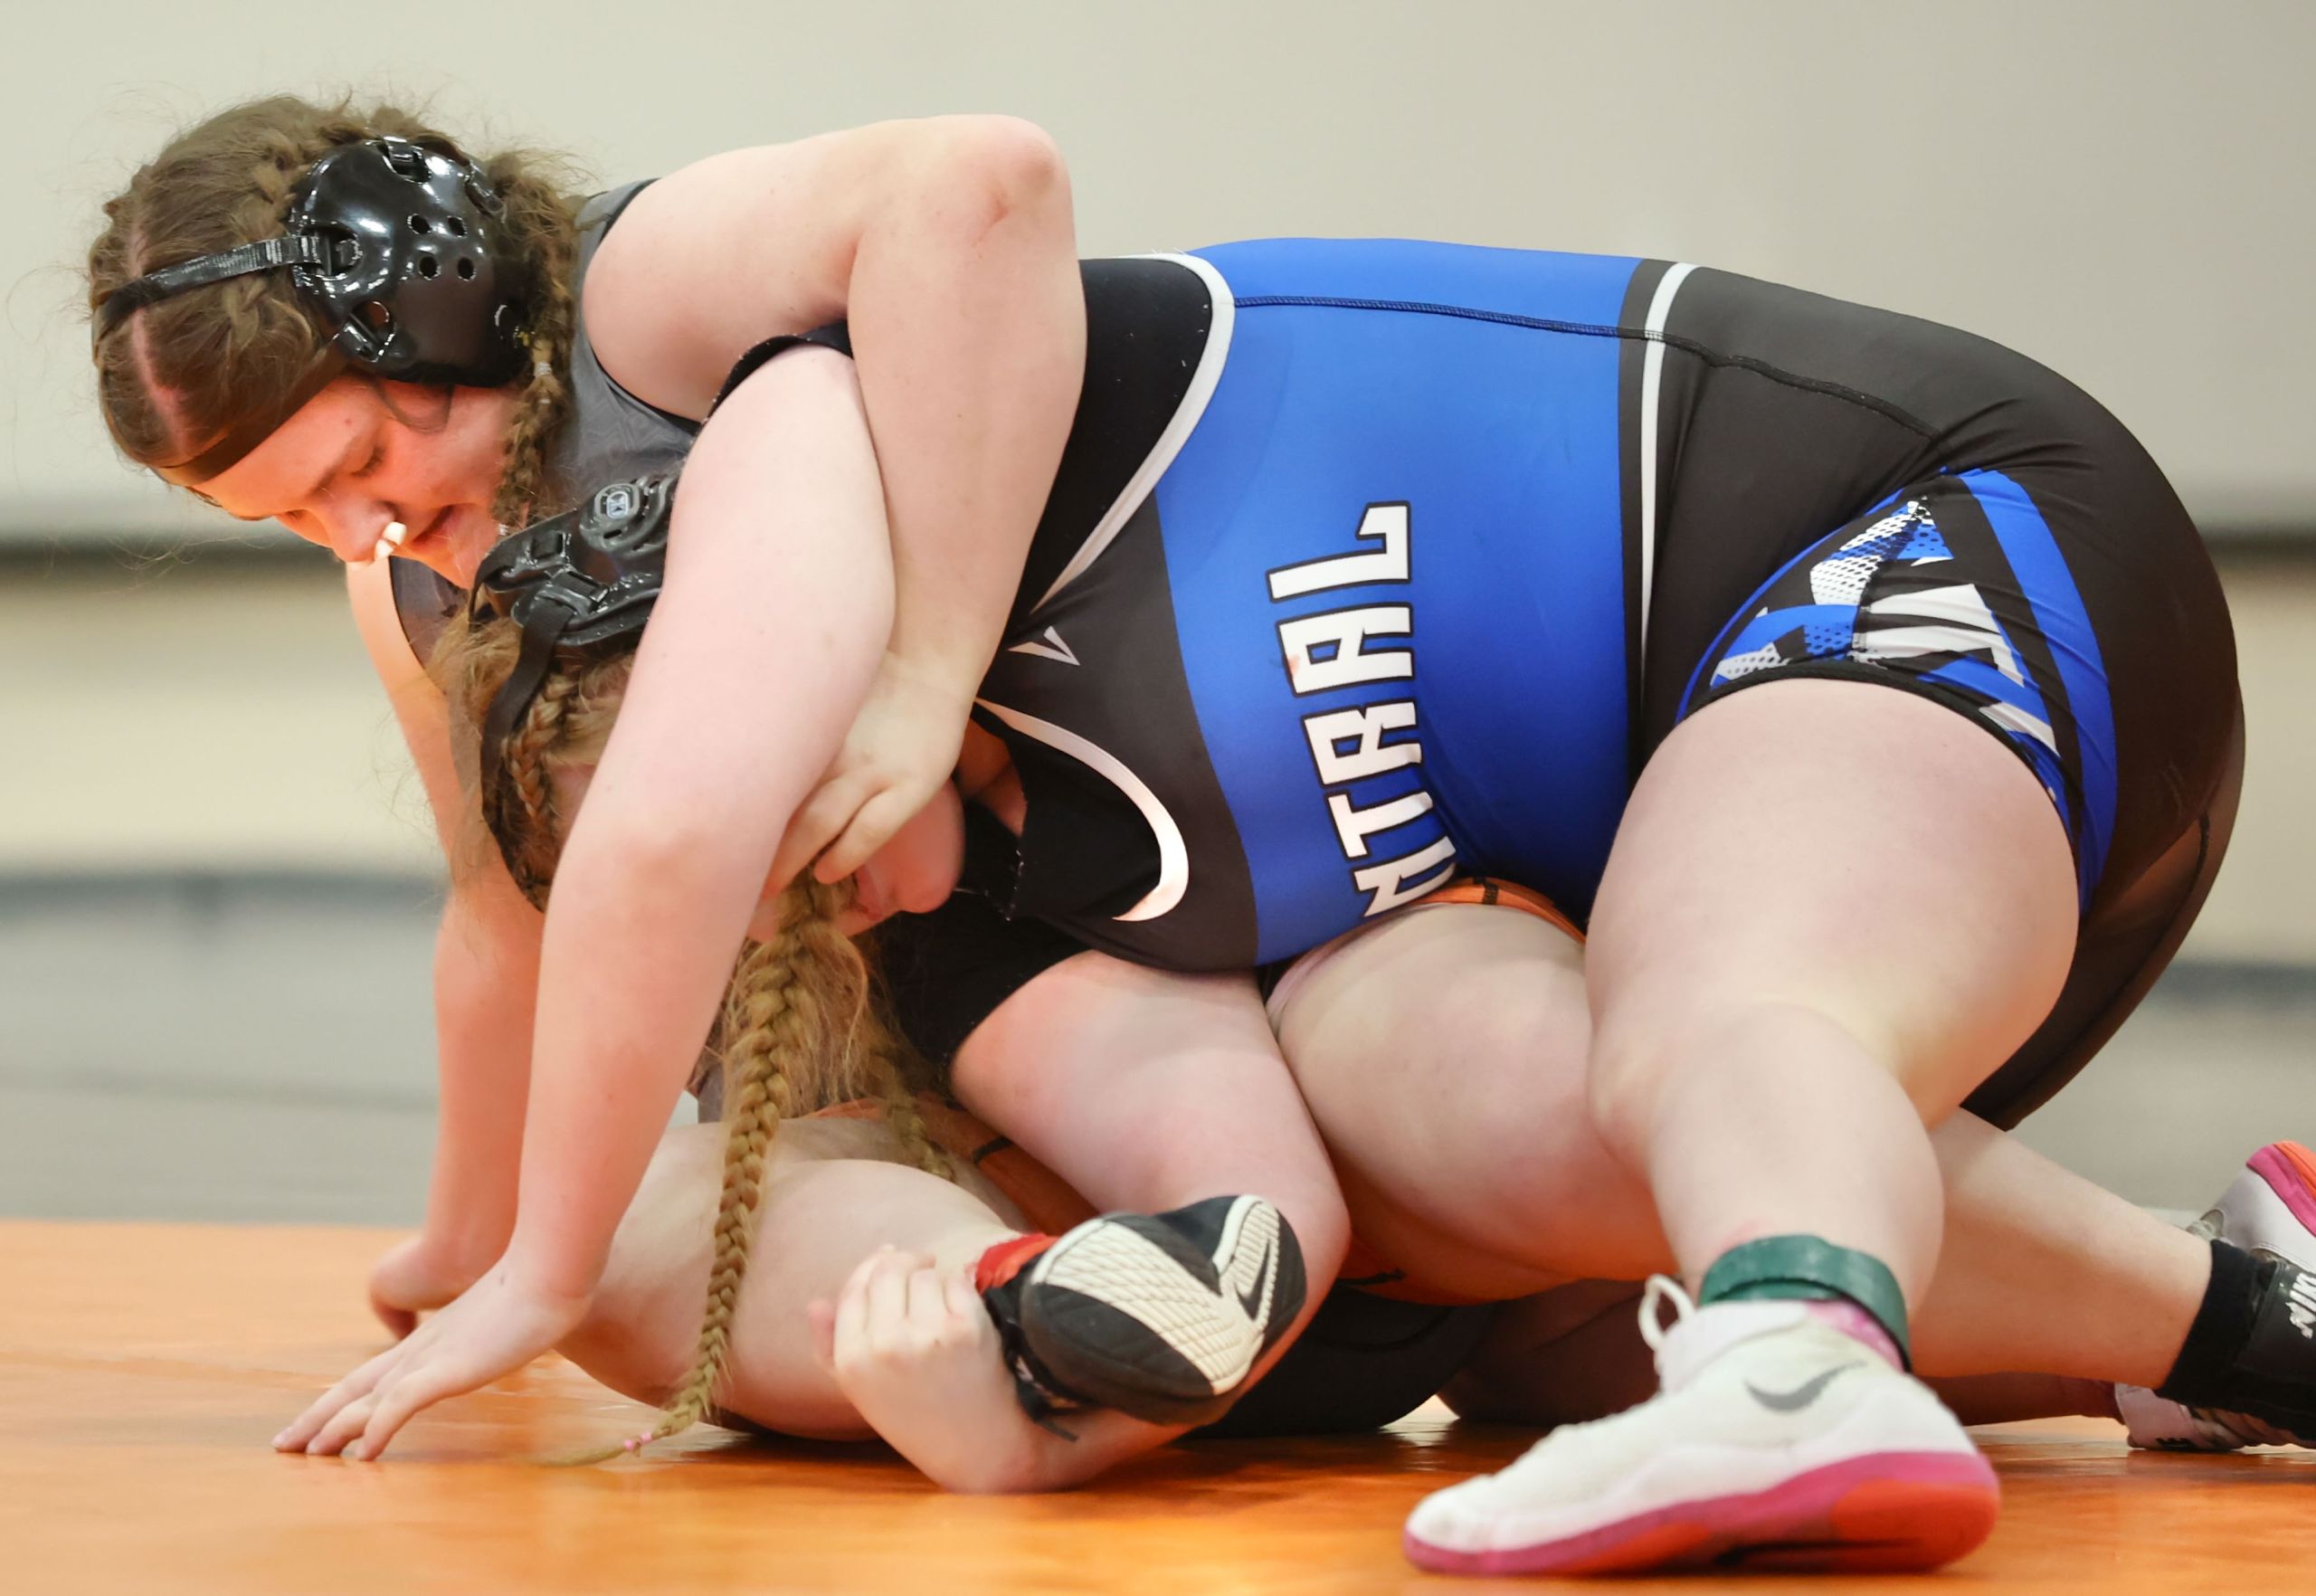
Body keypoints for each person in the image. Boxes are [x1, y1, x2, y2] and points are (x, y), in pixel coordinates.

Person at [91, 95, 2293, 1572]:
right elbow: (515, 914)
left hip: (1896, 544)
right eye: (301, 524)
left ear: (440, 306)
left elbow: (969, 185)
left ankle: (1795, 1348)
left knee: (1706, 1011)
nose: (382, 541)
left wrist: (919, 670)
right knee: (1528, 1279)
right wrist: (470, 1245)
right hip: (1614, 855)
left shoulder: (749, 389)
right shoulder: (979, 881)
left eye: (363, 467)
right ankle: (2226, 1316)